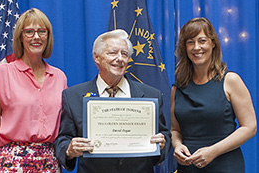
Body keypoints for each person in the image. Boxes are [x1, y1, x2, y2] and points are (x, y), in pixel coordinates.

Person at [53, 29, 171, 173]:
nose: (120, 58)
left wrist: (161, 143)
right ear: (97, 58)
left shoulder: (151, 95)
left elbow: (165, 134)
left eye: (124, 54)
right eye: (113, 53)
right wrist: (69, 149)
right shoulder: (73, 96)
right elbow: (62, 139)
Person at [0, 8, 67, 172]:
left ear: (48, 36)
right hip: (12, 163)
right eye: (29, 32)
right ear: (20, 37)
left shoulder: (60, 77)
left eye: (41, 32)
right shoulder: (2, 74)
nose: (36, 37)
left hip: (49, 162)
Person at [171, 17, 257, 172]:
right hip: (188, 167)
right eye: (190, 42)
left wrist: (213, 151)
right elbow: (175, 130)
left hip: (226, 164)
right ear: (185, 48)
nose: (196, 47)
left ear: (213, 44)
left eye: (202, 40)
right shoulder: (178, 87)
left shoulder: (231, 80)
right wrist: (177, 145)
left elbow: (250, 127)